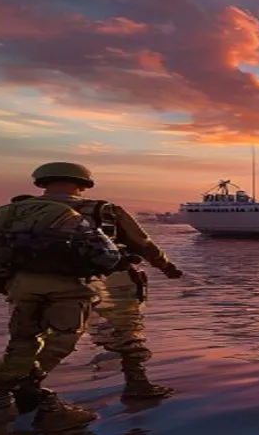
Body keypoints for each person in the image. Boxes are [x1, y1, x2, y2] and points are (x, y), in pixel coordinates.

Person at [0, 194, 126, 429]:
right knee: (63, 338)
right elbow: (106, 254)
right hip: (66, 286)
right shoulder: (64, 214)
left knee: (22, 340)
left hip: (20, 286)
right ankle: (31, 389)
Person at [27, 162, 184, 399]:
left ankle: (22, 385)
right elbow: (142, 244)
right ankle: (137, 384)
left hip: (39, 281)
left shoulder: (18, 211)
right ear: (83, 184)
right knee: (127, 330)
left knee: (46, 337)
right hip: (108, 280)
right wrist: (167, 267)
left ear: (41, 182)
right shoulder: (105, 211)